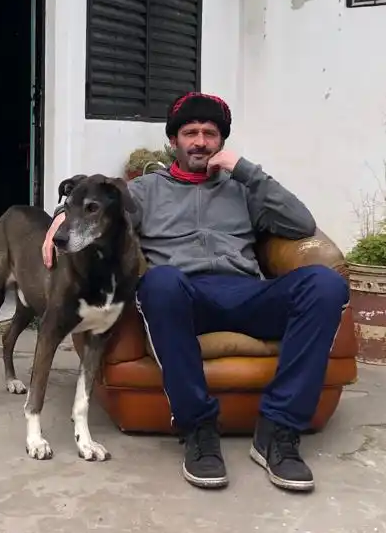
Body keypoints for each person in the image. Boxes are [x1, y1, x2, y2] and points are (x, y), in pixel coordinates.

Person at [42, 92, 348, 492]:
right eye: (190, 132)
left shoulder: (243, 187)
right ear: (174, 141)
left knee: (326, 283)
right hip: (184, 296)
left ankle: (278, 430)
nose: (200, 141)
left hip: (248, 293)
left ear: (221, 142)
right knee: (161, 282)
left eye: (210, 133)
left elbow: (301, 222)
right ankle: (198, 429)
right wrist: (60, 218)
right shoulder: (147, 189)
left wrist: (247, 171)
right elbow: (94, 202)